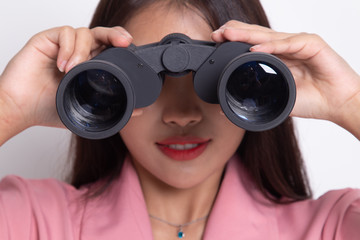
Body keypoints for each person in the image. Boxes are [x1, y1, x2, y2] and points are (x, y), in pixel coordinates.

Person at [0, 0, 359, 239]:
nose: (181, 115)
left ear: (261, 86)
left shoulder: (333, 226)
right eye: (146, 84)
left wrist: (350, 102)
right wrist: (9, 106)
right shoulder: (30, 220)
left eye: (217, 83)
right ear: (100, 86)